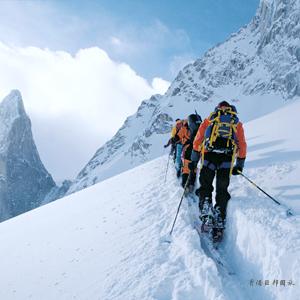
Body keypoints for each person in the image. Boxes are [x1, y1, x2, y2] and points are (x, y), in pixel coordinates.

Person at [189, 101, 247, 242]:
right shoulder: (236, 122)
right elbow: (242, 144)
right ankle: (220, 217)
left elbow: (198, 140)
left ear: (217, 108)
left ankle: (206, 212)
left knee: (206, 186)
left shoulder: (210, 119)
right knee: (222, 189)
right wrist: (239, 164)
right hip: (226, 159)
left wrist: (194, 160)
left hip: (209, 157)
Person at [179, 114, 202, 191]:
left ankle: (185, 183)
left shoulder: (185, 127)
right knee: (193, 165)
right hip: (197, 146)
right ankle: (191, 183)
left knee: (186, 165)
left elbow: (180, 136)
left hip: (189, 146)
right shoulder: (200, 128)